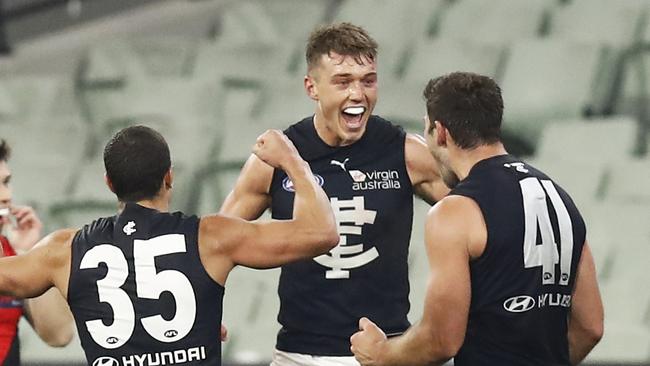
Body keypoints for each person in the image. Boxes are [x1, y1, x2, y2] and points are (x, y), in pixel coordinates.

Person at [0, 126, 338, 366]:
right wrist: (293, 161)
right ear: (169, 177)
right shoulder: (212, 237)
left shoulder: (65, 250)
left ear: (109, 183)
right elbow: (321, 232)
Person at [220, 22, 448, 365]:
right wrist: (203, 312)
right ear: (312, 87)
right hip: (296, 355)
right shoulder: (274, 158)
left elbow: (474, 220)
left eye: (368, 81)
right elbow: (217, 240)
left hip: (383, 354)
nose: (358, 94)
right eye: (343, 82)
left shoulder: (406, 153)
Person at [350, 72, 604, 365]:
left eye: (427, 132)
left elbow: (441, 340)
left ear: (441, 132)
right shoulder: (559, 198)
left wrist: (381, 353)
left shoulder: (456, 211)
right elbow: (590, 327)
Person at [0, 139, 74, 365]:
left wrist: (27, 252)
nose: (6, 195)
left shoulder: (10, 251)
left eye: (6, 182)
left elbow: (59, 335)